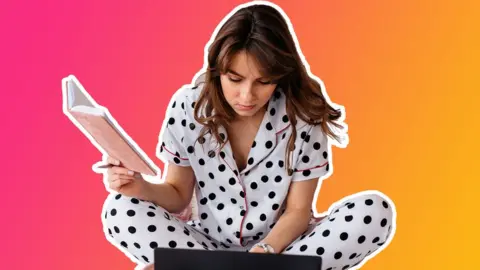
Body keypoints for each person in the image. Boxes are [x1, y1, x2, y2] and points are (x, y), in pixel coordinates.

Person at [99, 2, 396, 270]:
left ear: (280, 74)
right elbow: (177, 196)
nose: (247, 96)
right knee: (119, 208)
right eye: (235, 79)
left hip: (279, 251)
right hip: (205, 248)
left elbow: (297, 211)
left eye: (263, 82)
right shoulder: (188, 106)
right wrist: (138, 187)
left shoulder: (304, 114)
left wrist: (263, 253)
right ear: (218, 70)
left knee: (373, 211)